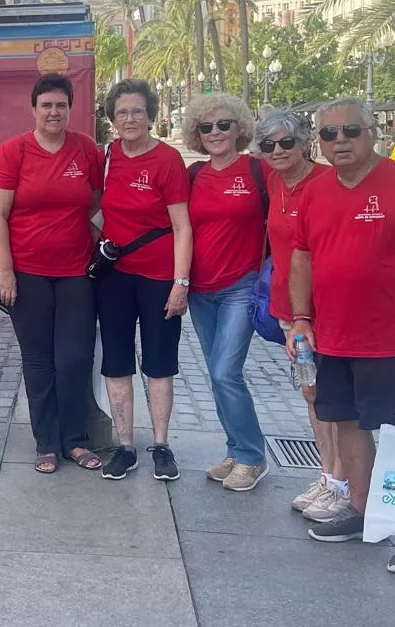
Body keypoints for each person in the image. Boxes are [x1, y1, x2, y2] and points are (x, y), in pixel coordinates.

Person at [290, 98, 395, 577]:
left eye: (350, 132)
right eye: (328, 135)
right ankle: (363, 512)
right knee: (348, 427)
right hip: (333, 339)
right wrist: (301, 319)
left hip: (394, 340)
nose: (339, 141)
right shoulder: (316, 191)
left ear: (372, 134)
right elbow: (301, 256)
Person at [0, 73, 102, 474]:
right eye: (46, 105)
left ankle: (75, 440)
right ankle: (46, 443)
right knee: (39, 361)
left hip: (76, 272)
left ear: (70, 109)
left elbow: (98, 201)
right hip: (27, 273)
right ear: (33, 109)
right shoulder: (13, 152)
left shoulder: (86, 149)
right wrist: (4, 272)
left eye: (61, 105)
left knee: (74, 358)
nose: (54, 112)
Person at [94, 80, 192, 482]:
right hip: (115, 278)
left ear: (150, 115)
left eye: (136, 111)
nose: (129, 119)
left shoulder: (168, 160)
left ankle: (161, 444)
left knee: (159, 364)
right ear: (112, 118)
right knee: (116, 363)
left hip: (158, 278)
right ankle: (125, 445)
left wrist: (181, 282)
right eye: (121, 113)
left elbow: (182, 227)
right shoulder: (106, 157)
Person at [258, 109, 345, 520]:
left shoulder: (328, 182)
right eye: (268, 144)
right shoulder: (275, 180)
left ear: (305, 142)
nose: (277, 151)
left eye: (286, 142)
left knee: (332, 396)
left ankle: (343, 483)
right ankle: (328, 474)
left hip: (325, 310)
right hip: (290, 311)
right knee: (310, 392)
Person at [183, 91, 268, 491]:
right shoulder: (195, 175)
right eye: (206, 126)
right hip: (201, 290)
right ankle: (236, 449)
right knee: (218, 376)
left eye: (223, 125)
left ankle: (252, 456)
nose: (215, 132)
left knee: (225, 371)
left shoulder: (257, 171)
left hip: (241, 285)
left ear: (239, 129)